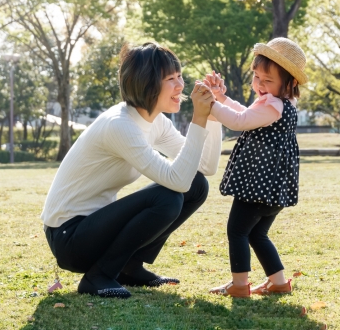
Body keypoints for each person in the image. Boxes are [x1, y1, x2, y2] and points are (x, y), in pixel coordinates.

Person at [41, 42, 221, 299]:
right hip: (69, 238)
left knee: (198, 185)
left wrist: (212, 116)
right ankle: (98, 276)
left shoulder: (155, 121)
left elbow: (204, 167)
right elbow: (177, 181)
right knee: (168, 197)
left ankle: (129, 266)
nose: (181, 85)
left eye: (179, 76)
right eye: (170, 78)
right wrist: (198, 118)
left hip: (94, 229)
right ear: (146, 84)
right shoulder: (120, 125)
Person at [205, 37, 307, 298]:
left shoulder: (273, 106)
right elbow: (245, 112)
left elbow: (240, 121)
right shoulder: (279, 103)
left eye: (267, 80)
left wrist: (211, 104)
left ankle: (239, 286)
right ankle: (279, 282)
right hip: (271, 189)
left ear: (290, 83)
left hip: (257, 187)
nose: (259, 85)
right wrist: (222, 98)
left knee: (237, 230)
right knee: (257, 234)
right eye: (257, 77)